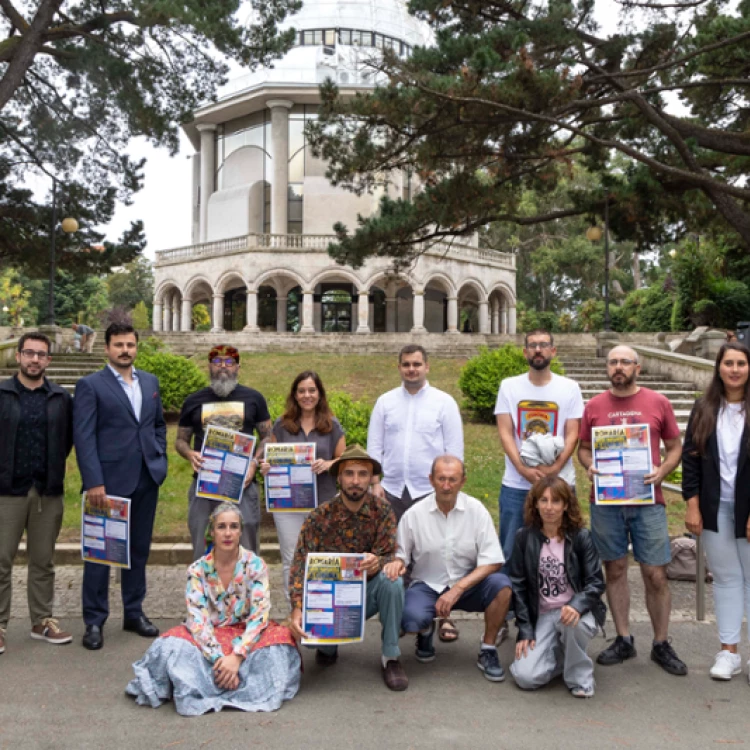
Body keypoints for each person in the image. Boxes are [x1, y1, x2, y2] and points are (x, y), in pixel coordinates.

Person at [126, 503, 301, 716]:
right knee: (170, 647)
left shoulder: (256, 565)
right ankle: (230, 680)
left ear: (240, 531)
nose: (228, 533)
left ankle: (211, 682)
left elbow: (258, 617)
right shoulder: (197, 569)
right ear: (212, 531)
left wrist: (236, 657)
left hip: (245, 635)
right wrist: (219, 659)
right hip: (209, 636)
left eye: (234, 526)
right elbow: (197, 620)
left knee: (279, 645)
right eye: (222, 527)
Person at [578, 344, 687, 675]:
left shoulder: (658, 402)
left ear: (637, 367)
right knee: (615, 570)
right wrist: (590, 466)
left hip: (647, 501)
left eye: (625, 361)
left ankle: (661, 643)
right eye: (613, 362)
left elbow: (674, 447)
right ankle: (624, 638)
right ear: (608, 368)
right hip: (607, 502)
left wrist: (663, 471)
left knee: (655, 573)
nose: (618, 367)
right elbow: (583, 449)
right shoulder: (594, 406)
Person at [74, 323, 168, 650]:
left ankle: (133, 612)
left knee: (138, 550)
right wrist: (94, 481)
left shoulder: (150, 382)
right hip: (108, 483)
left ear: (136, 347)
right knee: (101, 553)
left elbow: (157, 425)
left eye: (130, 344)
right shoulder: (90, 385)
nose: (125, 350)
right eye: (118, 345)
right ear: (107, 348)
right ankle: (95, 621)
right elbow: (83, 437)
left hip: (146, 478)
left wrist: (160, 459)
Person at [287, 444, 408, 691]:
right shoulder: (319, 516)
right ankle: (328, 645)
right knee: (316, 646)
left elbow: (389, 554)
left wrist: (379, 562)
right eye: (349, 474)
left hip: (367, 593)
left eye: (363, 474)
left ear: (370, 479)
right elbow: (300, 563)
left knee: (393, 582)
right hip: (330, 599)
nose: (356, 480)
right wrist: (298, 607)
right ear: (339, 478)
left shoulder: (382, 511)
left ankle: (391, 657)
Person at [384, 455, 512, 682]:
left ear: (463, 481)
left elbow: (494, 560)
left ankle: (488, 649)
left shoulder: (477, 510)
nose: (446, 486)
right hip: (427, 585)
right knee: (411, 619)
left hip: (467, 585)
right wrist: (397, 563)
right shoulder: (414, 514)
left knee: (502, 586)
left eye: (452, 479)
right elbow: (401, 555)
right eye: (441, 479)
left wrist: (459, 588)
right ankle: (425, 631)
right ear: (431, 480)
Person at [367, 344, 464, 642]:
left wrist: (450, 488)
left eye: (417, 364)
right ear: (399, 367)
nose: (412, 369)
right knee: (397, 554)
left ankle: (445, 616)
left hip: (430, 491)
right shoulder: (385, 402)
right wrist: (375, 482)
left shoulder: (444, 403)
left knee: (437, 554)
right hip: (393, 490)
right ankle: (402, 614)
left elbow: (454, 450)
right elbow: (374, 446)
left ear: (427, 367)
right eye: (406, 364)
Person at [0, 333, 74, 654]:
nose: (34, 359)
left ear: (49, 360)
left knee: (43, 561)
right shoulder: (1, 393)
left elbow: (68, 440)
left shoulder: (60, 398)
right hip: (6, 491)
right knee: (1, 560)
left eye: (41, 355)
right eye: (28, 353)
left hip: (47, 491)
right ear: (18, 356)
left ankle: (41, 620)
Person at [683, 342, 750, 680]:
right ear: (719, 368)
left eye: (741, 363)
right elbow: (691, 459)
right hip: (714, 509)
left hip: (747, 509)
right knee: (725, 579)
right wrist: (693, 505)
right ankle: (729, 652)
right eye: (728, 363)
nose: (734, 369)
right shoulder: (704, 408)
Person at [508, 477, 606, 698]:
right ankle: (563, 656)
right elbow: (518, 585)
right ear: (534, 503)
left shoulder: (581, 537)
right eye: (543, 500)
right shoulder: (524, 537)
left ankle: (580, 678)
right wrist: (525, 628)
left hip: (576, 611)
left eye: (556, 501)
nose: (549, 508)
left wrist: (577, 605)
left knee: (572, 624)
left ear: (566, 505)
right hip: (543, 613)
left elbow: (596, 582)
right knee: (525, 677)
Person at [176, 345, 273, 560]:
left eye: (229, 362)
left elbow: (268, 436)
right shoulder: (193, 401)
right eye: (217, 361)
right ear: (209, 366)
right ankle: (203, 591)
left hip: (242, 484)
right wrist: (190, 454)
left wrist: (254, 463)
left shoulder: (254, 398)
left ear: (238, 367)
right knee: (201, 541)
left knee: (247, 543)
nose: (223, 366)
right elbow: (180, 441)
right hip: (204, 483)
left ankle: (249, 591)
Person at [495, 329, 584, 563]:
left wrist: (554, 470)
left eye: (543, 345)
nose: (538, 350)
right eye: (532, 345)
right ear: (525, 352)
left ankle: (563, 599)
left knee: (564, 551)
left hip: (561, 482)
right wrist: (522, 469)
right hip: (517, 484)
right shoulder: (509, 386)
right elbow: (505, 432)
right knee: (512, 551)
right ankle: (513, 600)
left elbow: (573, 433)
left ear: (553, 351)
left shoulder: (570, 387)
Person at [259, 371, 346, 597]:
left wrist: (328, 464)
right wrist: (267, 468)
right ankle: (294, 612)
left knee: (322, 559)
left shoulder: (332, 425)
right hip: (288, 506)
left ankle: (319, 610)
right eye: (302, 391)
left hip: (323, 503)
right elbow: (270, 458)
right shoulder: (281, 425)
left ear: (319, 394)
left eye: (311, 390)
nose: (307, 395)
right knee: (291, 559)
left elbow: (344, 462)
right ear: (295, 395)